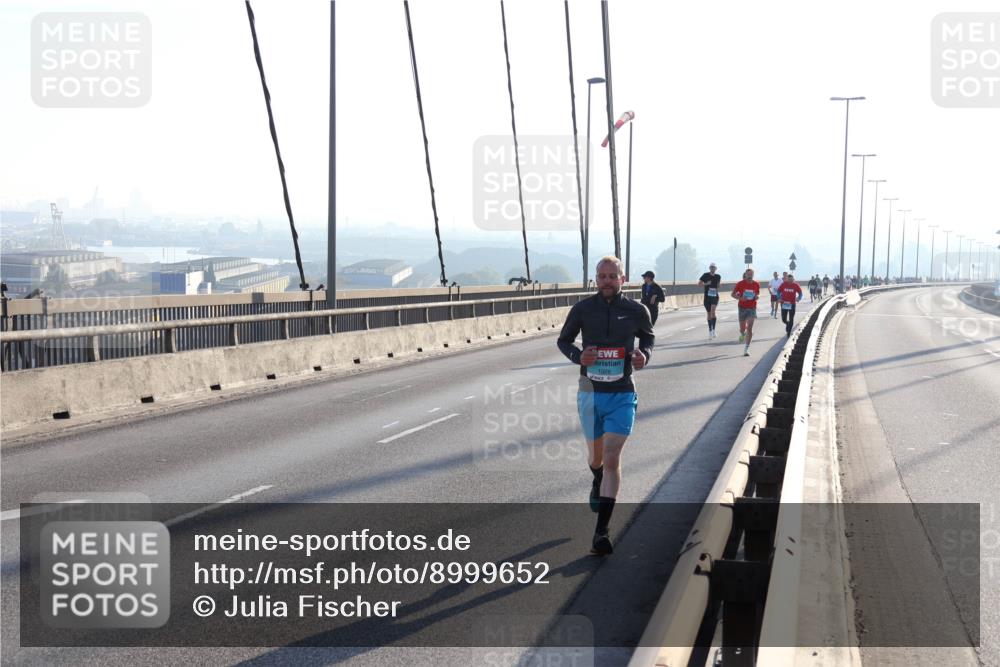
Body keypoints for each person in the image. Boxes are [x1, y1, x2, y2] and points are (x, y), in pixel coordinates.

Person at [557, 256, 654, 556]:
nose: (607, 281)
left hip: (623, 393)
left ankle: (602, 532)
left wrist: (644, 356)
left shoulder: (637, 310)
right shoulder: (583, 309)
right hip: (590, 392)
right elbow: (564, 341)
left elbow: (648, 338)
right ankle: (596, 477)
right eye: (602, 276)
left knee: (612, 458)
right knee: (596, 459)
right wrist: (578, 357)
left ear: (623, 279)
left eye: (613, 276)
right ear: (595, 280)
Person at [731, 267, 760, 356]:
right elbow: (732, 294)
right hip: (742, 308)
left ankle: (746, 348)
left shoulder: (756, 284)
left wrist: (756, 297)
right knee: (743, 329)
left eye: (751, 274)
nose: (750, 276)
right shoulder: (740, 284)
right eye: (748, 275)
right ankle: (743, 333)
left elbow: (757, 294)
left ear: (753, 275)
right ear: (745, 275)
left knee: (750, 328)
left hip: (752, 308)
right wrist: (740, 298)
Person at [698, 263, 722, 339]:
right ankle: (710, 330)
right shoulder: (705, 275)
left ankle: (714, 330)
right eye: (711, 267)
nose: (712, 269)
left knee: (713, 312)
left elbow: (718, 285)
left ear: (716, 269)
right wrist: (706, 283)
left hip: (714, 296)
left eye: (714, 267)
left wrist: (719, 285)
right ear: (709, 268)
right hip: (707, 297)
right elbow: (699, 284)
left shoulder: (718, 276)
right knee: (708, 314)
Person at [778, 273, 804, 337]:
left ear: (793, 279)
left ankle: (789, 331)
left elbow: (800, 293)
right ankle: (787, 324)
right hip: (784, 304)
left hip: (792, 304)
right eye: (789, 280)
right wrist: (779, 298)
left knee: (791, 318)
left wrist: (799, 298)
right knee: (783, 319)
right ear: (787, 279)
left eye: (792, 280)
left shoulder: (795, 285)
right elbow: (778, 291)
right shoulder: (783, 284)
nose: (790, 281)